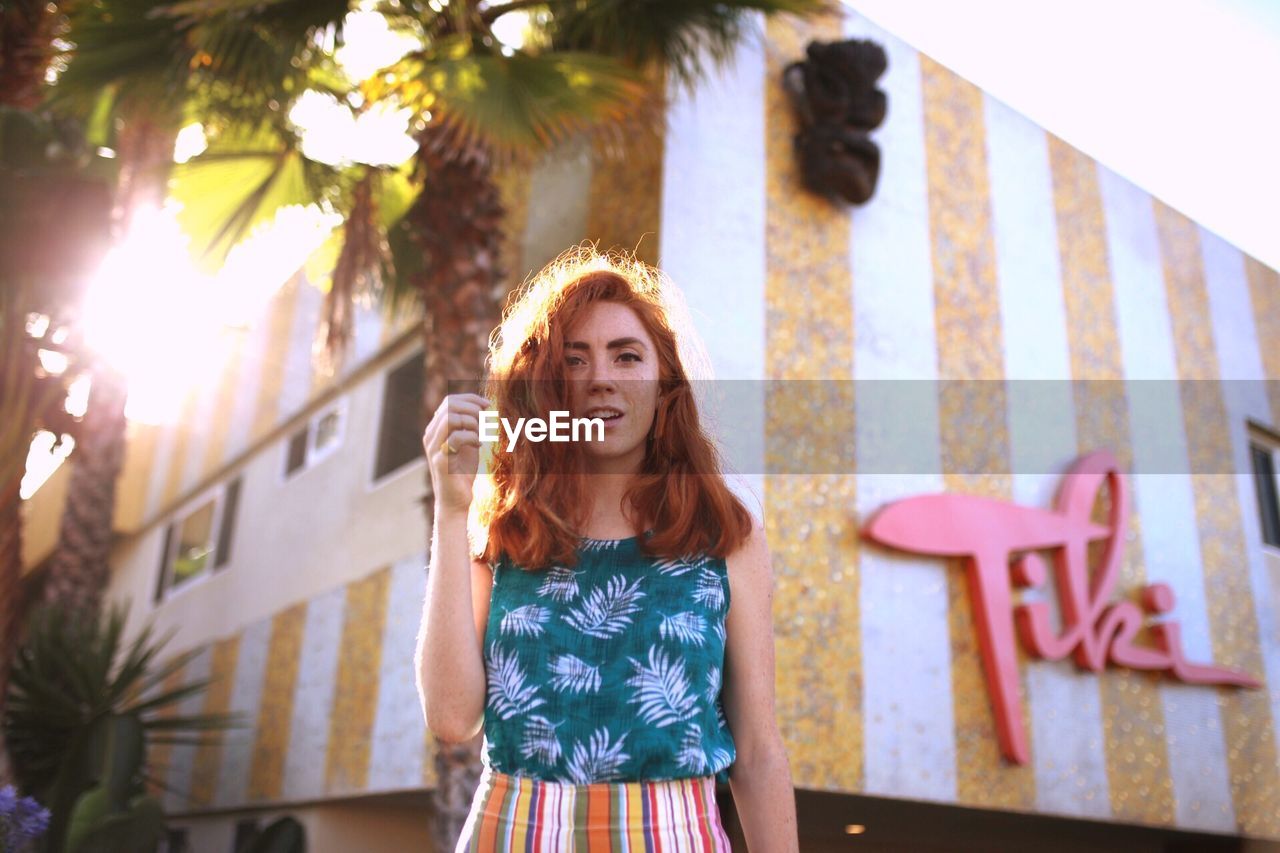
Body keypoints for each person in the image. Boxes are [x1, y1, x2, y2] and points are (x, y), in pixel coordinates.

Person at [416, 244, 799, 851]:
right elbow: (451, 717)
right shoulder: (500, 532)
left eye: (627, 357)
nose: (601, 379)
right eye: (575, 359)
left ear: (664, 383)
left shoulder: (725, 536)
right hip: (511, 833)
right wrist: (452, 508)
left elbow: (757, 753)